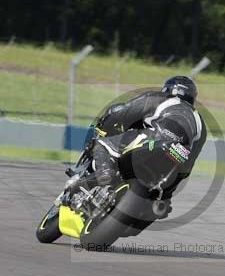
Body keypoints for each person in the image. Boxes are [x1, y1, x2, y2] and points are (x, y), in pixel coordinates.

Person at [82, 76, 207, 204]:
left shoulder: (161, 98)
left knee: (101, 145)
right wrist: (168, 193)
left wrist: (106, 124)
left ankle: (105, 171)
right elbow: (189, 164)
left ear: (167, 88)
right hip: (179, 157)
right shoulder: (201, 125)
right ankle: (160, 200)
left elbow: (124, 111)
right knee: (161, 198)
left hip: (155, 139)